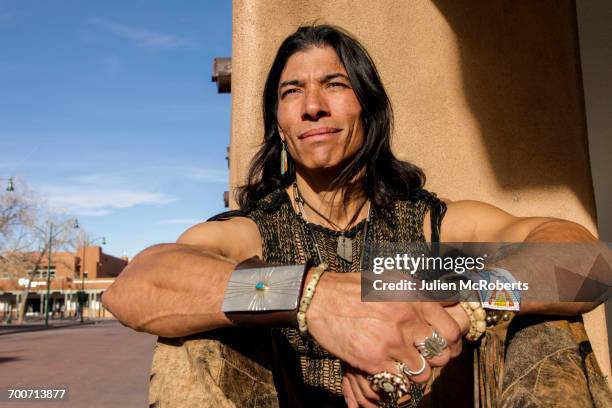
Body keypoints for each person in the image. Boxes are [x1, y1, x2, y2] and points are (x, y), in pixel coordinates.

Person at [102, 25, 610, 408]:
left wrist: (463, 310)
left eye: (334, 85)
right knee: (191, 340)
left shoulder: (432, 228)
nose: (312, 106)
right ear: (279, 125)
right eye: (291, 91)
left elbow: (586, 263)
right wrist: (310, 296)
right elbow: (136, 286)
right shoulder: (254, 233)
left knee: (544, 321)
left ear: (369, 108)